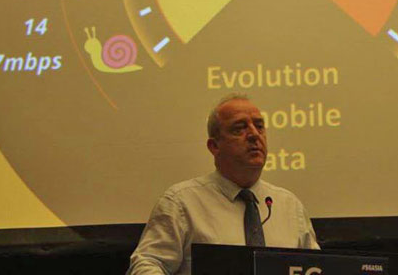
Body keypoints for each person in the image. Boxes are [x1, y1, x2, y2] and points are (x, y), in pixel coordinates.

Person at [127, 94, 319, 275]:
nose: (254, 134)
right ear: (214, 146)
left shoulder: (289, 207)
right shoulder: (181, 203)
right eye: (239, 128)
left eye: (259, 126)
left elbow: (318, 267)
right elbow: (146, 264)